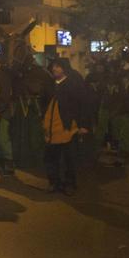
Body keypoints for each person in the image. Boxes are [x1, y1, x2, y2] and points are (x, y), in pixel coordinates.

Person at [43, 57, 91, 194]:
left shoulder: (74, 84)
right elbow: (44, 105)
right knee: (51, 158)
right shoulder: (50, 85)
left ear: (64, 68)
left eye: (58, 66)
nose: (54, 69)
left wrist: (83, 125)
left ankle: (69, 184)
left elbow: (84, 105)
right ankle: (54, 182)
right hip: (51, 130)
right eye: (53, 66)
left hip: (68, 127)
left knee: (69, 159)